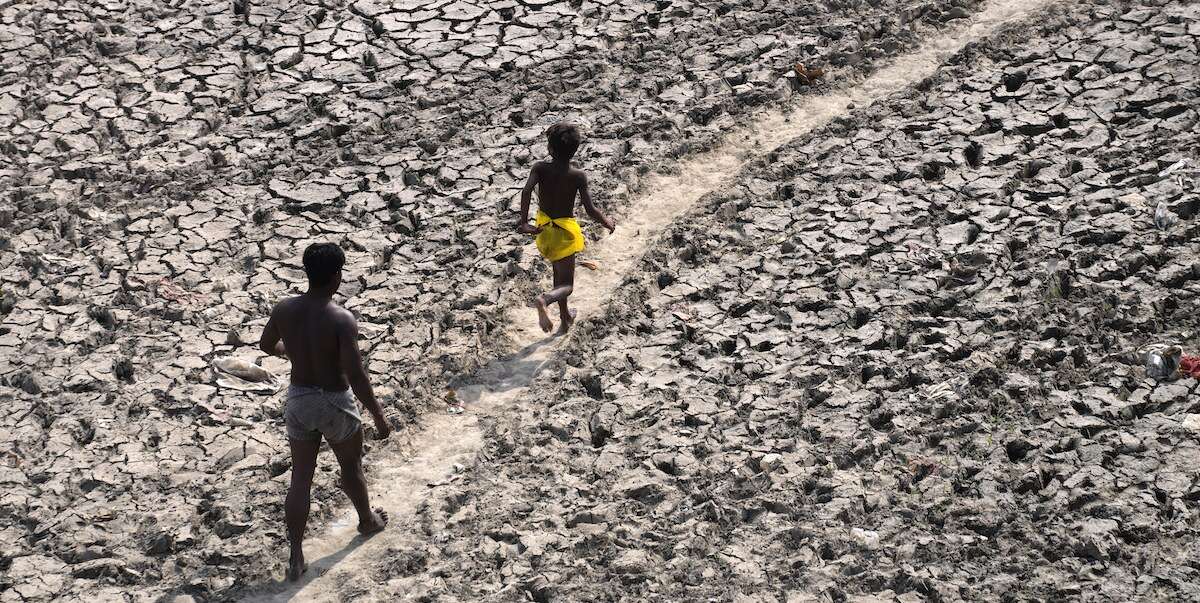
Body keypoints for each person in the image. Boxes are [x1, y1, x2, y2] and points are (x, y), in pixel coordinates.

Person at [258, 242, 390, 582]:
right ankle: (366, 519)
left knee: (301, 479)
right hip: (334, 400)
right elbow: (356, 375)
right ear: (336, 276)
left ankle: (295, 556)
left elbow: (265, 345)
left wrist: (291, 351)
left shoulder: (284, 309)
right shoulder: (340, 318)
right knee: (350, 467)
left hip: (299, 399)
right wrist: (377, 413)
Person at [517, 122, 616, 334]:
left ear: (550, 149)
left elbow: (526, 192)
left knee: (558, 274)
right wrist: (606, 222)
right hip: (564, 233)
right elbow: (589, 209)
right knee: (567, 285)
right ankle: (545, 299)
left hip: (543, 229)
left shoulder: (539, 168)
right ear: (575, 150)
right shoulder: (578, 175)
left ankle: (565, 317)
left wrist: (524, 223)